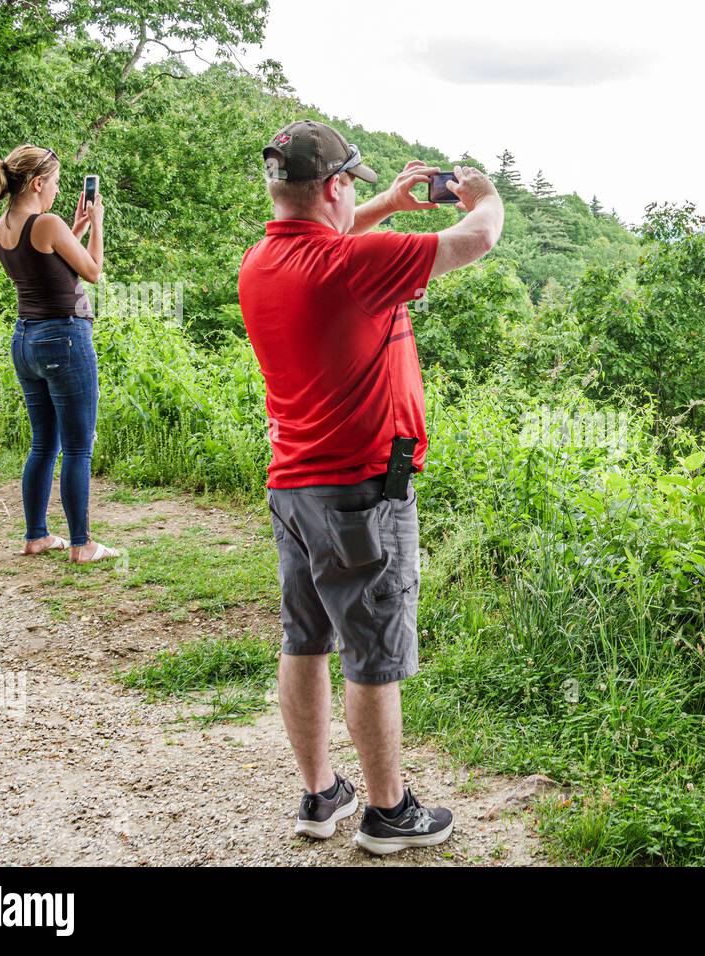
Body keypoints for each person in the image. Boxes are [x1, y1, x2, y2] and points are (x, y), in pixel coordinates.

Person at [238, 120, 504, 854]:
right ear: (333, 188)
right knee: (373, 654)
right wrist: (484, 195)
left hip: (295, 488)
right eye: (351, 183)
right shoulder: (355, 268)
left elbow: (332, 239)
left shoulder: (261, 262)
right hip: (361, 494)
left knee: (306, 638)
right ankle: (388, 812)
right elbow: (478, 239)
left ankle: (320, 794)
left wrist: (385, 200)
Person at [0, 145, 119, 563]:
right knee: (77, 446)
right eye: (55, 182)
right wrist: (97, 225)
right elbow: (92, 270)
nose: (57, 190)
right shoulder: (47, 223)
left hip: (26, 340)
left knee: (43, 443)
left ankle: (36, 535)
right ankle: (82, 543)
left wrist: (70, 230)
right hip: (65, 338)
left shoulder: (4, 225)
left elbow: (41, 265)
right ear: (38, 183)